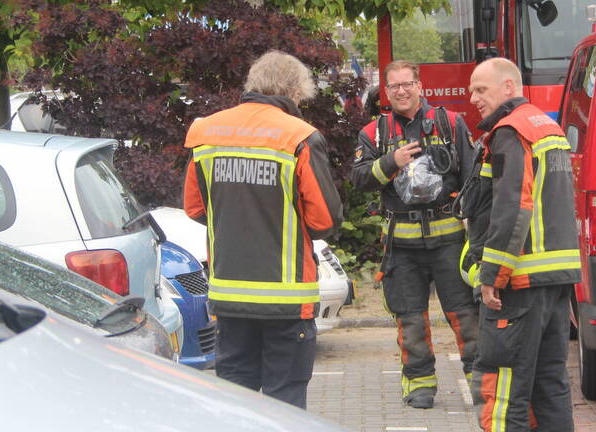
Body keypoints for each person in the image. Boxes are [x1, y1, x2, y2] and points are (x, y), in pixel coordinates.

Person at [182, 50, 342, 409]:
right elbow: (325, 222)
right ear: (293, 92)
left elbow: (194, 207)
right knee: (284, 403)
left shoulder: (207, 131)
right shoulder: (299, 136)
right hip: (285, 302)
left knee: (236, 404)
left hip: (229, 297)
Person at [462, 58, 581, 432]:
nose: (473, 98)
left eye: (481, 89)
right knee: (551, 378)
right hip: (556, 280)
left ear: (508, 85)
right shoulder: (547, 127)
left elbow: (515, 208)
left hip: (520, 281)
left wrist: (492, 275)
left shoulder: (511, 133)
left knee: (504, 379)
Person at [352, 60, 479, 409]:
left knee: (466, 315)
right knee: (410, 320)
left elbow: (474, 177)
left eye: (407, 84)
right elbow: (359, 180)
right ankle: (420, 385)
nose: (401, 91)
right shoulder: (375, 133)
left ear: (420, 86)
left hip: (449, 241)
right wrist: (391, 162)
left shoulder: (449, 123)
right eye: (393, 86)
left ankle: (483, 383)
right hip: (401, 247)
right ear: (386, 92)